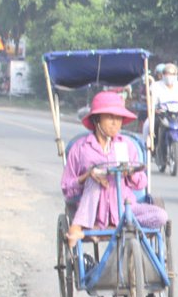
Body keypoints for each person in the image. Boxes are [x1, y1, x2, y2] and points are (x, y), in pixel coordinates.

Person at [61, 90, 169, 245]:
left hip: (126, 209)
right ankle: (79, 226)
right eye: (110, 117)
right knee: (95, 176)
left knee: (161, 216)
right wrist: (87, 176)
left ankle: (121, 226)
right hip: (93, 213)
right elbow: (66, 187)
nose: (115, 122)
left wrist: (131, 174)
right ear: (97, 118)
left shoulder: (126, 146)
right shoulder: (80, 148)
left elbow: (141, 182)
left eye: (118, 118)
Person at [145, 63, 178, 137]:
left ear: (176, 75)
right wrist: (154, 110)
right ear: (163, 75)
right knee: (147, 125)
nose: (170, 76)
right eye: (167, 74)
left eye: (172, 74)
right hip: (161, 115)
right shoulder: (155, 86)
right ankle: (148, 146)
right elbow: (150, 102)